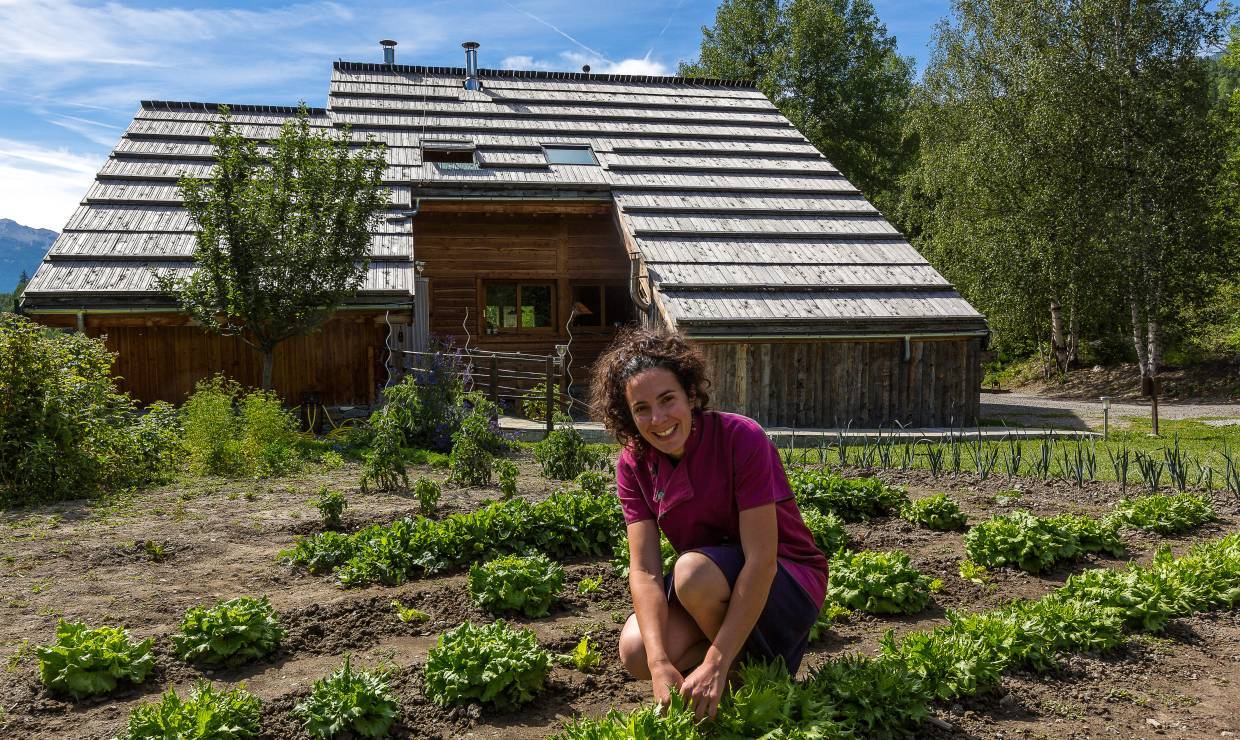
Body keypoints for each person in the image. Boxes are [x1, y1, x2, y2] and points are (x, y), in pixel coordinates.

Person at [590, 329, 829, 720]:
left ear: (691, 395)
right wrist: (657, 665)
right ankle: (720, 676)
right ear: (628, 416)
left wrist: (716, 661)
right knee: (636, 649)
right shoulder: (634, 464)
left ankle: (742, 675)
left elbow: (762, 559)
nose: (659, 419)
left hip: (786, 578)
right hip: (711, 586)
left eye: (668, 400)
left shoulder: (740, 438)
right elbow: (646, 570)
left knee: (691, 573)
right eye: (642, 408)